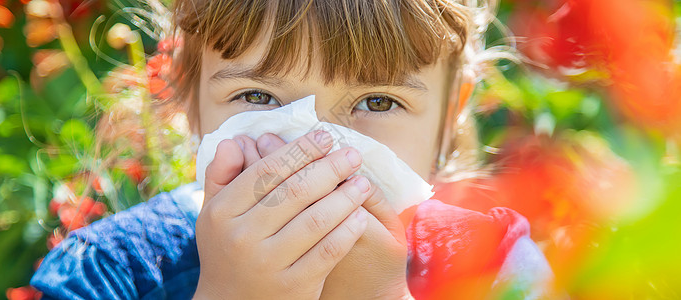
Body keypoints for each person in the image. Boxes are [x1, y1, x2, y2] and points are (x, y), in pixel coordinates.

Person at [31, 0, 555, 299]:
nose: (314, 146)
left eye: (377, 100)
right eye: (258, 98)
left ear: (449, 115)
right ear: (191, 99)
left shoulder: (492, 269)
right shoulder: (110, 274)